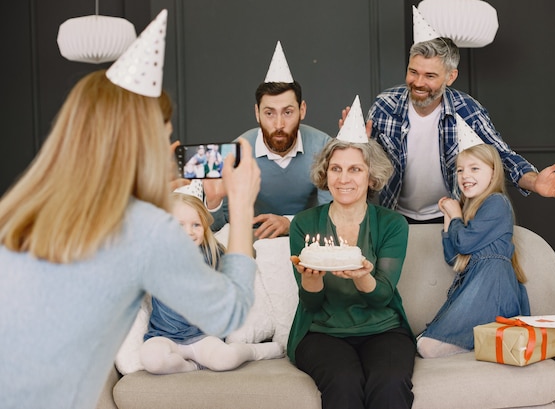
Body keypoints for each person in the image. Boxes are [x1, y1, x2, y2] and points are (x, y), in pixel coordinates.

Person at [0, 10, 261, 409]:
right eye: (165, 136)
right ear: (140, 139)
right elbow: (229, 313)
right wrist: (241, 206)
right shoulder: (146, 229)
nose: (169, 149)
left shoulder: (23, 210)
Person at [349, 37, 555, 223]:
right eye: (413, 72)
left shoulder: (467, 110)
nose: (418, 82)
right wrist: (355, 145)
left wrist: (534, 181)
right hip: (394, 215)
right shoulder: (384, 106)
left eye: (430, 76)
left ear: (450, 77)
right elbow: (367, 164)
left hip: (451, 215)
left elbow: (501, 156)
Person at [287, 100, 416, 408]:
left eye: (355, 169)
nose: (344, 179)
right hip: (321, 333)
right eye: (336, 169)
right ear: (325, 173)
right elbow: (312, 303)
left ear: (371, 177)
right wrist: (311, 279)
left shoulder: (392, 224)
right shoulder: (304, 224)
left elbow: (382, 295)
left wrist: (363, 277)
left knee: (389, 383)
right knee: (344, 383)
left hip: (383, 329)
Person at [140, 190, 283, 374]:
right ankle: (191, 367)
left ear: (205, 227)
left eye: (196, 225)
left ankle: (255, 351)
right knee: (152, 360)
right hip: (164, 336)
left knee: (226, 359)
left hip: (203, 338)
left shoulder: (213, 253)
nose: (189, 232)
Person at [207, 42, 332, 239]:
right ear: (257, 113)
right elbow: (217, 226)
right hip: (254, 244)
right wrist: (212, 203)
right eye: (269, 113)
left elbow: (332, 216)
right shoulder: (237, 150)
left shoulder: (323, 146)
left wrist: (290, 223)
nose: (279, 124)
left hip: (309, 242)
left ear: (303, 110)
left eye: (288, 112)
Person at [417, 144, 530, 358]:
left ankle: (485, 343)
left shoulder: (496, 202)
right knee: (423, 343)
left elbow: (464, 243)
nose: (465, 175)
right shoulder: (471, 209)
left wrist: (456, 215)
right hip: (476, 283)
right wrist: (448, 218)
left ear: (494, 173)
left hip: (492, 286)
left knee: (427, 347)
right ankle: (482, 343)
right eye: (460, 170)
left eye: (474, 168)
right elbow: (453, 258)